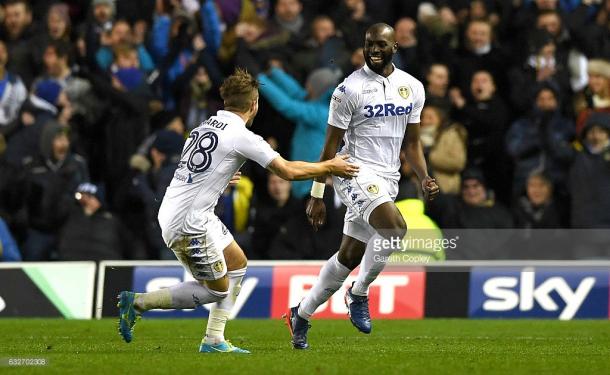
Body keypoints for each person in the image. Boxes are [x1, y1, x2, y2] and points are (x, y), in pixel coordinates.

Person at [116, 68, 359, 353]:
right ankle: (139, 303)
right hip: (188, 221)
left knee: (238, 264)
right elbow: (288, 171)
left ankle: (214, 339)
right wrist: (331, 166)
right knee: (216, 289)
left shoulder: (204, 126)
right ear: (254, 105)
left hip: (189, 211)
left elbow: (193, 167)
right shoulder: (241, 136)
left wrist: (220, 175)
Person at [286, 23, 439, 350]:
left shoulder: (412, 87)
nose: (374, 50)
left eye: (381, 44)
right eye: (369, 44)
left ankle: (301, 313)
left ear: (394, 46)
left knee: (349, 255)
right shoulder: (348, 90)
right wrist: (318, 195)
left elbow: (411, 144)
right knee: (395, 229)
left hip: (388, 178)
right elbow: (329, 149)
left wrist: (424, 175)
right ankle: (358, 294)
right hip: (352, 170)